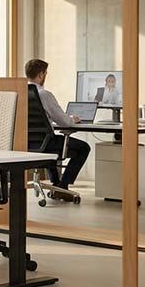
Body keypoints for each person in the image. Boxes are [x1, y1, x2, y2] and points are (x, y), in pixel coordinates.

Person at [26, 59, 91, 195]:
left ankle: (56, 184)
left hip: (27, 144)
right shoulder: (44, 95)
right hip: (47, 143)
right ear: (41, 74)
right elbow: (65, 123)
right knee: (84, 148)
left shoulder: (20, 92)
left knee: (52, 143)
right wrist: (72, 119)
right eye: (45, 73)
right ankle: (63, 186)